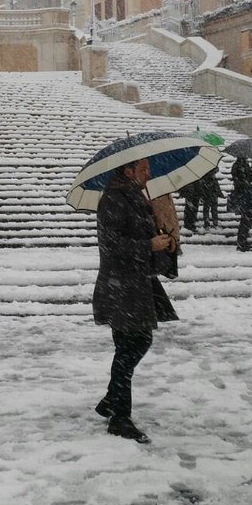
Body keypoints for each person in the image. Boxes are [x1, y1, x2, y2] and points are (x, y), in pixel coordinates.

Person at [92, 158, 177, 444]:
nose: (148, 174)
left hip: (137, 283)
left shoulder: (137, 199)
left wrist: (163, 236)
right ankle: (119, 418)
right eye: (143, 169)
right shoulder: (113, 200)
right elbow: (111, 244)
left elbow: (142, 237)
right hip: (121, 285)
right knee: (129, 347)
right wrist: (148, 245)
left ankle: (111, 401)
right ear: (128, 171)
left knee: (135, 344)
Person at [227, 157, 252, 251]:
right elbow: (237, 180)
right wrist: (244, 177)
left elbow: (250, 178)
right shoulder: (237, 165)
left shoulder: (245, 164)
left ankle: (243, 241)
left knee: (248, 219)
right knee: (246, 219)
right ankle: (241, 242)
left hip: (247, 196)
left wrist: (250, 172)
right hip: (242, 196)